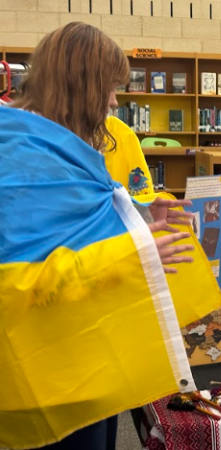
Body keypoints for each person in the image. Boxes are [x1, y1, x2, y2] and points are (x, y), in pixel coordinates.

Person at [1, 22, 197, 450]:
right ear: (79, 85)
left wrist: (137, 221)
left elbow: (75, 232)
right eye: (108, 88)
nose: (113, 101)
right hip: (48, 382)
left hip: (89, 362)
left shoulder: (58, 145)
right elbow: (18, 282)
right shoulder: (19, 156)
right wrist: (129, 255)